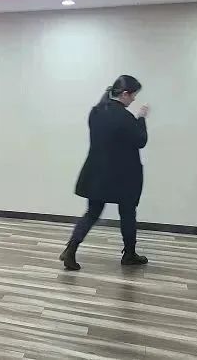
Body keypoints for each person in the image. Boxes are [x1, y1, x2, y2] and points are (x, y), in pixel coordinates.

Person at [60, 75, 150, 271]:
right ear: (125, 94)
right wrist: (141, 118)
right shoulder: (125, 117)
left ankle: (70, 249)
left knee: (92, 212)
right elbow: (141, 140)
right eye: (133, 95)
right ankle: (129, 254)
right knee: (127, 213)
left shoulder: (96, 112)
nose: (134, 99)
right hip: (124, 175)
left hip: (97, 173)